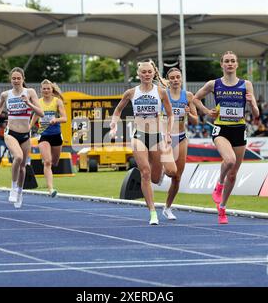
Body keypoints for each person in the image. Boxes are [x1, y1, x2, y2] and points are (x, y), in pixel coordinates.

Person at [193, 51, 259, 224]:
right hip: (221, 129)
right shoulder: (213, 84)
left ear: (237, 65)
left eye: (233, 61)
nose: (230, 64)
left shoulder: (246, 84)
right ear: (222, 64)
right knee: (229, 161)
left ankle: (222, 208)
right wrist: (208, 112)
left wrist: (252, 102)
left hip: (239, 129)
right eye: (226, 61)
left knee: (233, 174)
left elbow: (257, 113)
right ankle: (219, 184)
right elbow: (195, 98)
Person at [109, 59, 177, 225]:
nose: (146, 74)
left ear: (153, 73)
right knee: (145, 172)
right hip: (139, 135)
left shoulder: (160, 92)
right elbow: (118, 110)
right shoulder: (131, 93)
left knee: (155, 178)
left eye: (149, 72)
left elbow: (170, 115)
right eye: (143, 72)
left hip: (156, 136)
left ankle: (159, 175)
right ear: (138, 74)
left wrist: (168, 133)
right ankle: (152, 212)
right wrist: (113, 124)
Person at [0, 67, 44, 208]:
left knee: (23, 166)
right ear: (10, 79)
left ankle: (20, 192)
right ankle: (13, 187)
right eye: (13, 78)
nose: (16, 80)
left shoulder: (30, 92)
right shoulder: (5, 94)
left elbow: (41, 112)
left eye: (18, 78)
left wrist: (29, 103)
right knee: (18, 157)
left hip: (26, 135)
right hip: (11, 133)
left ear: (23, 79)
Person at [161, 67, 198, 220]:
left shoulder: (188, 96)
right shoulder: (162, 95)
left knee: (177, 177)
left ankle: (168, 208)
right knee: (169, 172)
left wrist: (189, 112)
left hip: (181, 137)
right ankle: (160, 169)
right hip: (165, 138)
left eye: (178, 77)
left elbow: (196, 120)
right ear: (168, 80)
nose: (175, 80)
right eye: (173, 77)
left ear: (181, 79)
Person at [29, 79, 67, 197]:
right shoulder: (38, 102)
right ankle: (50, 189)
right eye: (44, 89)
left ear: (52, 90)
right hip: (43, 134)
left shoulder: (57, 102)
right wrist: (29, 127)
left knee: (54, 161)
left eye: (48, 88)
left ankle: (47, 161)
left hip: (56, 134)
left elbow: (64, 118)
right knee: (47, 162)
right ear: (41, 90)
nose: (46, 90)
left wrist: (56, 119)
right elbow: (36, 114)